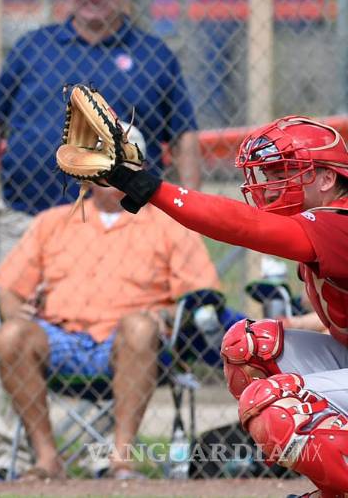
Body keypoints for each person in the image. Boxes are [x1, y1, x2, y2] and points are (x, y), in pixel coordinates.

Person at [0, 0, 202, 477]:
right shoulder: (33, 48)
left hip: (125, 220)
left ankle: (110, 456)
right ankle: (13, 457)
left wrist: (185, 212)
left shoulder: (154, 55)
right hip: (30, 217)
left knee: (123, 323)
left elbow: (184, 136)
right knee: (6, 323)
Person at [93, 115, 348, 496]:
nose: (272, 183)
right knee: (250, 345)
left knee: (276, 405)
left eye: (285, 171)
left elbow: (246, 226)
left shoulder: (338, 221)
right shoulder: (325, 221)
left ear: (327, 179)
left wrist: (154, 189)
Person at [0, 125, 218, 480]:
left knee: (140, 327)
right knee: (10, 335)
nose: (110, 172)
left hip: (131, 345)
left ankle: (120, 460)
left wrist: (164, 314)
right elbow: (9, 289)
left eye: (120, 163)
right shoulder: (51, 223)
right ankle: (47, 459)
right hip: (62, 338)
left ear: (139, 169)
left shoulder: (169, 223)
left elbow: (199, 297)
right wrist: (14, 311)